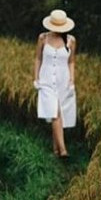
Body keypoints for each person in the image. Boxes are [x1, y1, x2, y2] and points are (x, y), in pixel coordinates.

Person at [33, 9, 77, 158]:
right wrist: (36, 78)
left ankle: (55, 150)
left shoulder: (70, 41)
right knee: (54, 112)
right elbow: (38, 58)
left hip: (62, 80)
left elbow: (71, 61)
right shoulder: (43, 38)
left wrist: (72, 79)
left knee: (58, 115)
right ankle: (64, 150)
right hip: (46, 80)